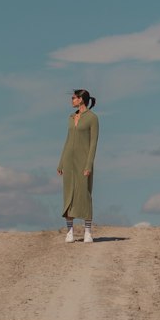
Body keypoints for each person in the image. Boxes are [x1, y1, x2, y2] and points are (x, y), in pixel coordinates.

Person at [58, 89, 98, 243]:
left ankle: (88, 231)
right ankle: (70, 232)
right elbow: (68, 141)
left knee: (85, 194)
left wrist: (88, 164)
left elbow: (93, 144)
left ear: (81, 99)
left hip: (83, 162)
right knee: (68, 194)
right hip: (69, 161)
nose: (72, 100)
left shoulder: (92, 118)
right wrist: (61, 162)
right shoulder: (71, 117)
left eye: (74, 98)